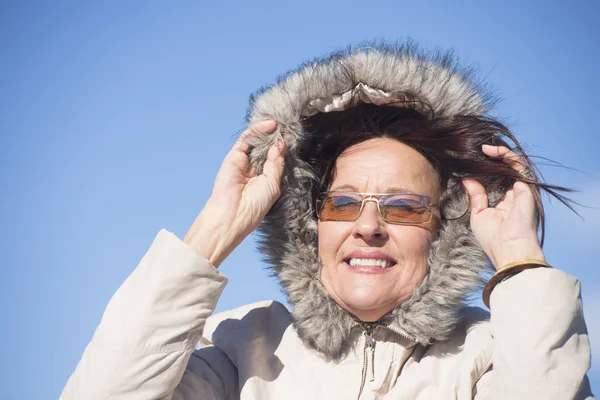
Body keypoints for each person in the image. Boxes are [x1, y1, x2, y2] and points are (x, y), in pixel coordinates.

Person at [61, 43, 594, 399]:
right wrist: (215, 229)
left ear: (444, 232)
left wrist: (520, 256)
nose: (368, 226)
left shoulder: (493, 354)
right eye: (342, 204)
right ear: (308, 228)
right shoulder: (240, 349)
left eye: (404, 206)